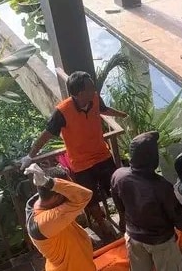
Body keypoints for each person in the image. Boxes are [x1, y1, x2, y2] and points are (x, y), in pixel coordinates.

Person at [20, 71, 128, 244]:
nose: (94, 90)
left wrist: (122, 115)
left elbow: (104, 109)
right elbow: (47, 134)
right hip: (81, 163)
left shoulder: (94, 98)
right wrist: (29, 156)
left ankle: (123, 218)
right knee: (89, 197)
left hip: (102, 154)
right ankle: (102, 224)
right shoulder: (62, 111)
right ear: (79, 94)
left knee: (117, 189)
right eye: (90, 87)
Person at [110, 131, 182, 271]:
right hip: (160, 240)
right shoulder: (160, 185)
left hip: (133, 236)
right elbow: (175, 213)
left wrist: (125, 222)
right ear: (152, 158)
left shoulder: (119, 175)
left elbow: (118, 203)